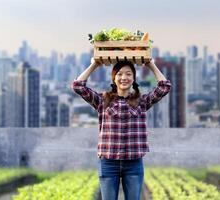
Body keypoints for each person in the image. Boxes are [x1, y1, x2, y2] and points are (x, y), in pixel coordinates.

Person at [72, 58, 171, 200]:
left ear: (134, 78)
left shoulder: (142, 101)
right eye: (119, 74)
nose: (124, 78)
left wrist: (150, 64)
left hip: (133, 162)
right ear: (114, 78)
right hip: (108, 162)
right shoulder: (103, 100)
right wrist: (95, 64)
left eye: (128, 74)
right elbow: (78, 86)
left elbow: (164, 87)